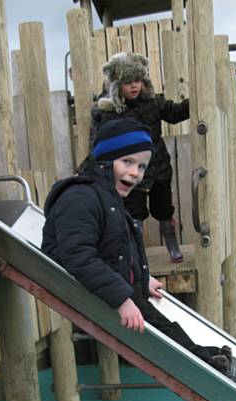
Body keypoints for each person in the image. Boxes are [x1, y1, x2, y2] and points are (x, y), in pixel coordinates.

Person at [42, 118, 236, 401]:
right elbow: (79, 256)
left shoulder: (107, 198)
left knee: (177, 336)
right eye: (127, 162)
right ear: (105, 159)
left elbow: (117, 250)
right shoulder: (80, 197)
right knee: (175, 349)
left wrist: (140, 278)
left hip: (117, 291)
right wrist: (122, 298)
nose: (134, 173)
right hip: (99, 298)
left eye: (141, 167)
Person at [87, 51, 189, 263]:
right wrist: (88, 167)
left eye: (138, 81)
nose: (134, 86)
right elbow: (101, 143)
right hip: (130, 173)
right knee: (134, 214)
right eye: (127, 82)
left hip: (158, 168)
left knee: (163, 210)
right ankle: (136, 255)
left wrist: (195, 100)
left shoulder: (152, 103)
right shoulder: (111, 113)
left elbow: (175, 113)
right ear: (117, 86)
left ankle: (172, 246)